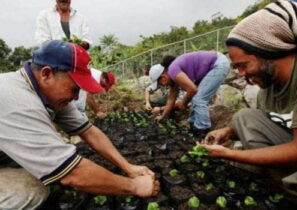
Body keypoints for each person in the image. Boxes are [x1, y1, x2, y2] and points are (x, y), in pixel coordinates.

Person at [0, 40, 159, 209]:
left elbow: (89, 131)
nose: (76, 97)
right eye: (75, 89)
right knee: (31, 191)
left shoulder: (48, 93)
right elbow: (72, 174)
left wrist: (128, 167)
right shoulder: (17, 101)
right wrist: (134, 186)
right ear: (47, 74)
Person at [201, 0, 297, 190]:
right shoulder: (268, 88)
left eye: (243, 65)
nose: (240, 74)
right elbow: (265, 120)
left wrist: (229, 154)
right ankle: (281, 175)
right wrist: (228, 132)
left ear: (268, 52)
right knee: (244, 117)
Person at [150, 51, 229, 138]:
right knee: (197, 98)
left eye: (160, 83)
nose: (163, 85)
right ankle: (193, 124)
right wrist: (163, 116)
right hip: (214, 64)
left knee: (199, 99)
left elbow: (192, 90)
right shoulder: (173, 77)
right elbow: (171, 99)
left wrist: (184, 103)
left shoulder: (172, 70)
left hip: (217, 64)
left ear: (163, 77)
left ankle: (203, 130)